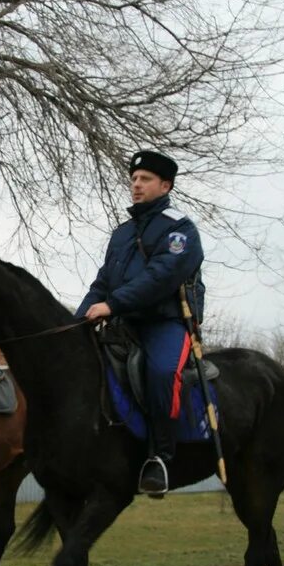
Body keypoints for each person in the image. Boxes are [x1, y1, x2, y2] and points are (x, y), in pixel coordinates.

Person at [74, 151, 205, 494]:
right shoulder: (122, 234)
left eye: (144, 179)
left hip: (165, 323)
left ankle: (161, 457)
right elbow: (103, 282)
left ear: (165, 185)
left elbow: (160, 278)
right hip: (123, 323)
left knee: (162, 372)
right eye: (133, 179)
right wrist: (78, 321)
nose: (136, 185)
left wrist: (112, 305)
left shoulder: (180, 229)